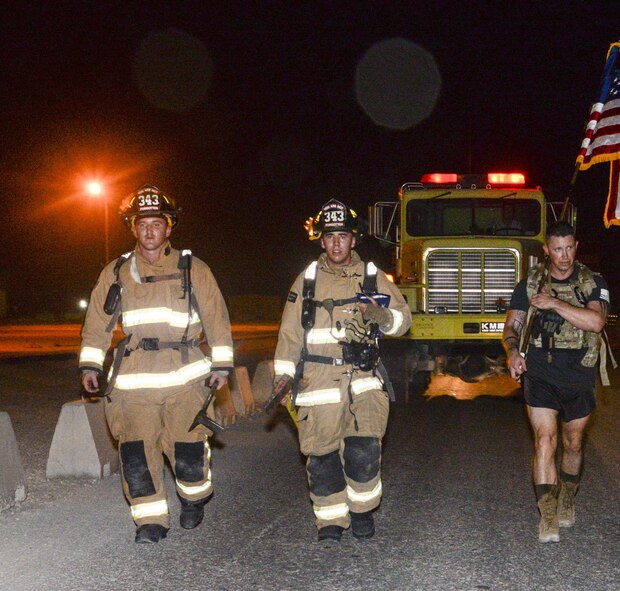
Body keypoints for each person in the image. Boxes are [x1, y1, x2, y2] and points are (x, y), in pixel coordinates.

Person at [79, 184, 234, 544]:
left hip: (185, 378)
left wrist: (222, 367)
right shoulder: (116, 272)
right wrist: (90, 366)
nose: (149, 230)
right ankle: (150, 521)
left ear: (169, 227)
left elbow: (217, 321)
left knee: (188, 453)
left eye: (157, 223)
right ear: (134, 228)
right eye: (142, 223)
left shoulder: (193, 268)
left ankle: (193, 499)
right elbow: (97, 325)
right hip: (135, 379)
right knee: (135, 452)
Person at [271, 198, 411, 543]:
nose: (337, 243)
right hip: (317, 382)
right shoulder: (306, 281)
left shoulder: (373, 277)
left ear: (353, 240)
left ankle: (362, 512)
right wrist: (283, 377)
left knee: (364, 451)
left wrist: (382, 316)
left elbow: (404, 321)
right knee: (321, 456)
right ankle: (330, 521)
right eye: (330, 236)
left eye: (343, 236)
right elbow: (289, 334)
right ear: (321, 240)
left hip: (363, 379)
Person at [502, 220, 611, 543]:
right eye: (557, 249)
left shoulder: (593, 282)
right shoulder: (531, 282)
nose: (564, 256)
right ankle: (547, 513)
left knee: (573, 442)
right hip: (540, 370)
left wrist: (554, 303)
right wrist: (512, 352)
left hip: (578, 370)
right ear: (546, 250)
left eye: (569, 248)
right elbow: (512, 327)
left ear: (576, 247)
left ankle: (567, 497)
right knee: (544, 440)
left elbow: (595, 322)